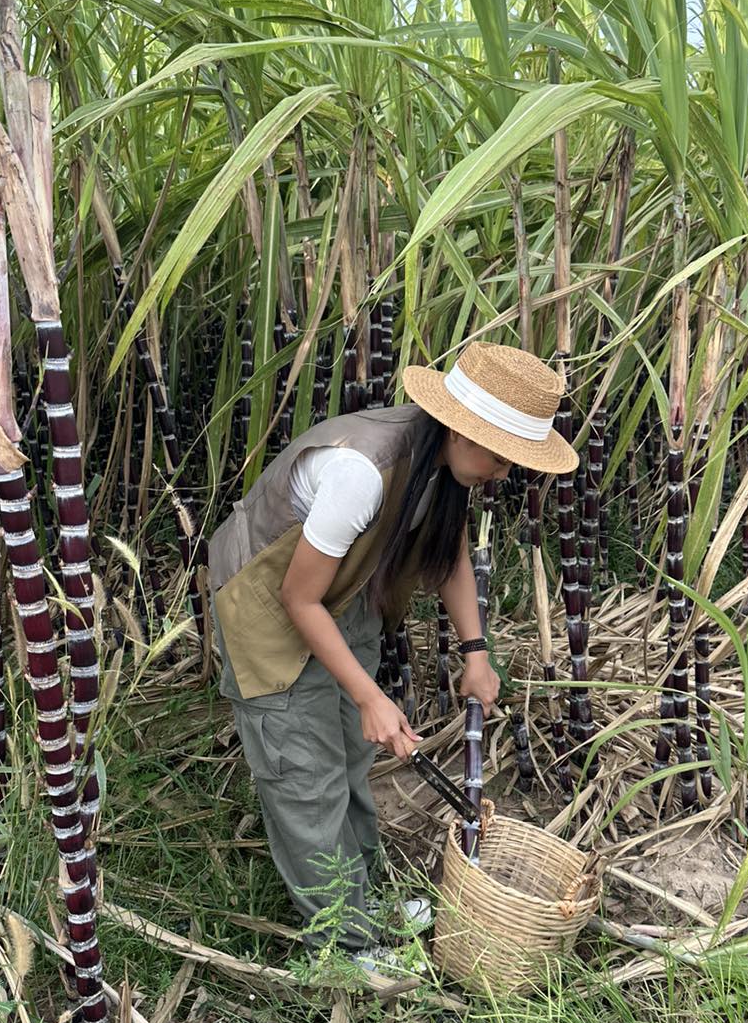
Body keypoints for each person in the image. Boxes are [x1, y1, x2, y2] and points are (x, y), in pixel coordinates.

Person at [208, 340, 577, 965]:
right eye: (501, 456)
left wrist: (477, 651)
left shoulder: (445, 466)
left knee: (350, 755)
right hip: (268, 600)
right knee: (307, 778)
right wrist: (370, 695)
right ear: (461, 429)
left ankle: (364, 901)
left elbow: (449, 552)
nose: (505, 474)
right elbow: (298, 600)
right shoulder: (363, 473)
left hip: (343, 595)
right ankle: (343, 949)